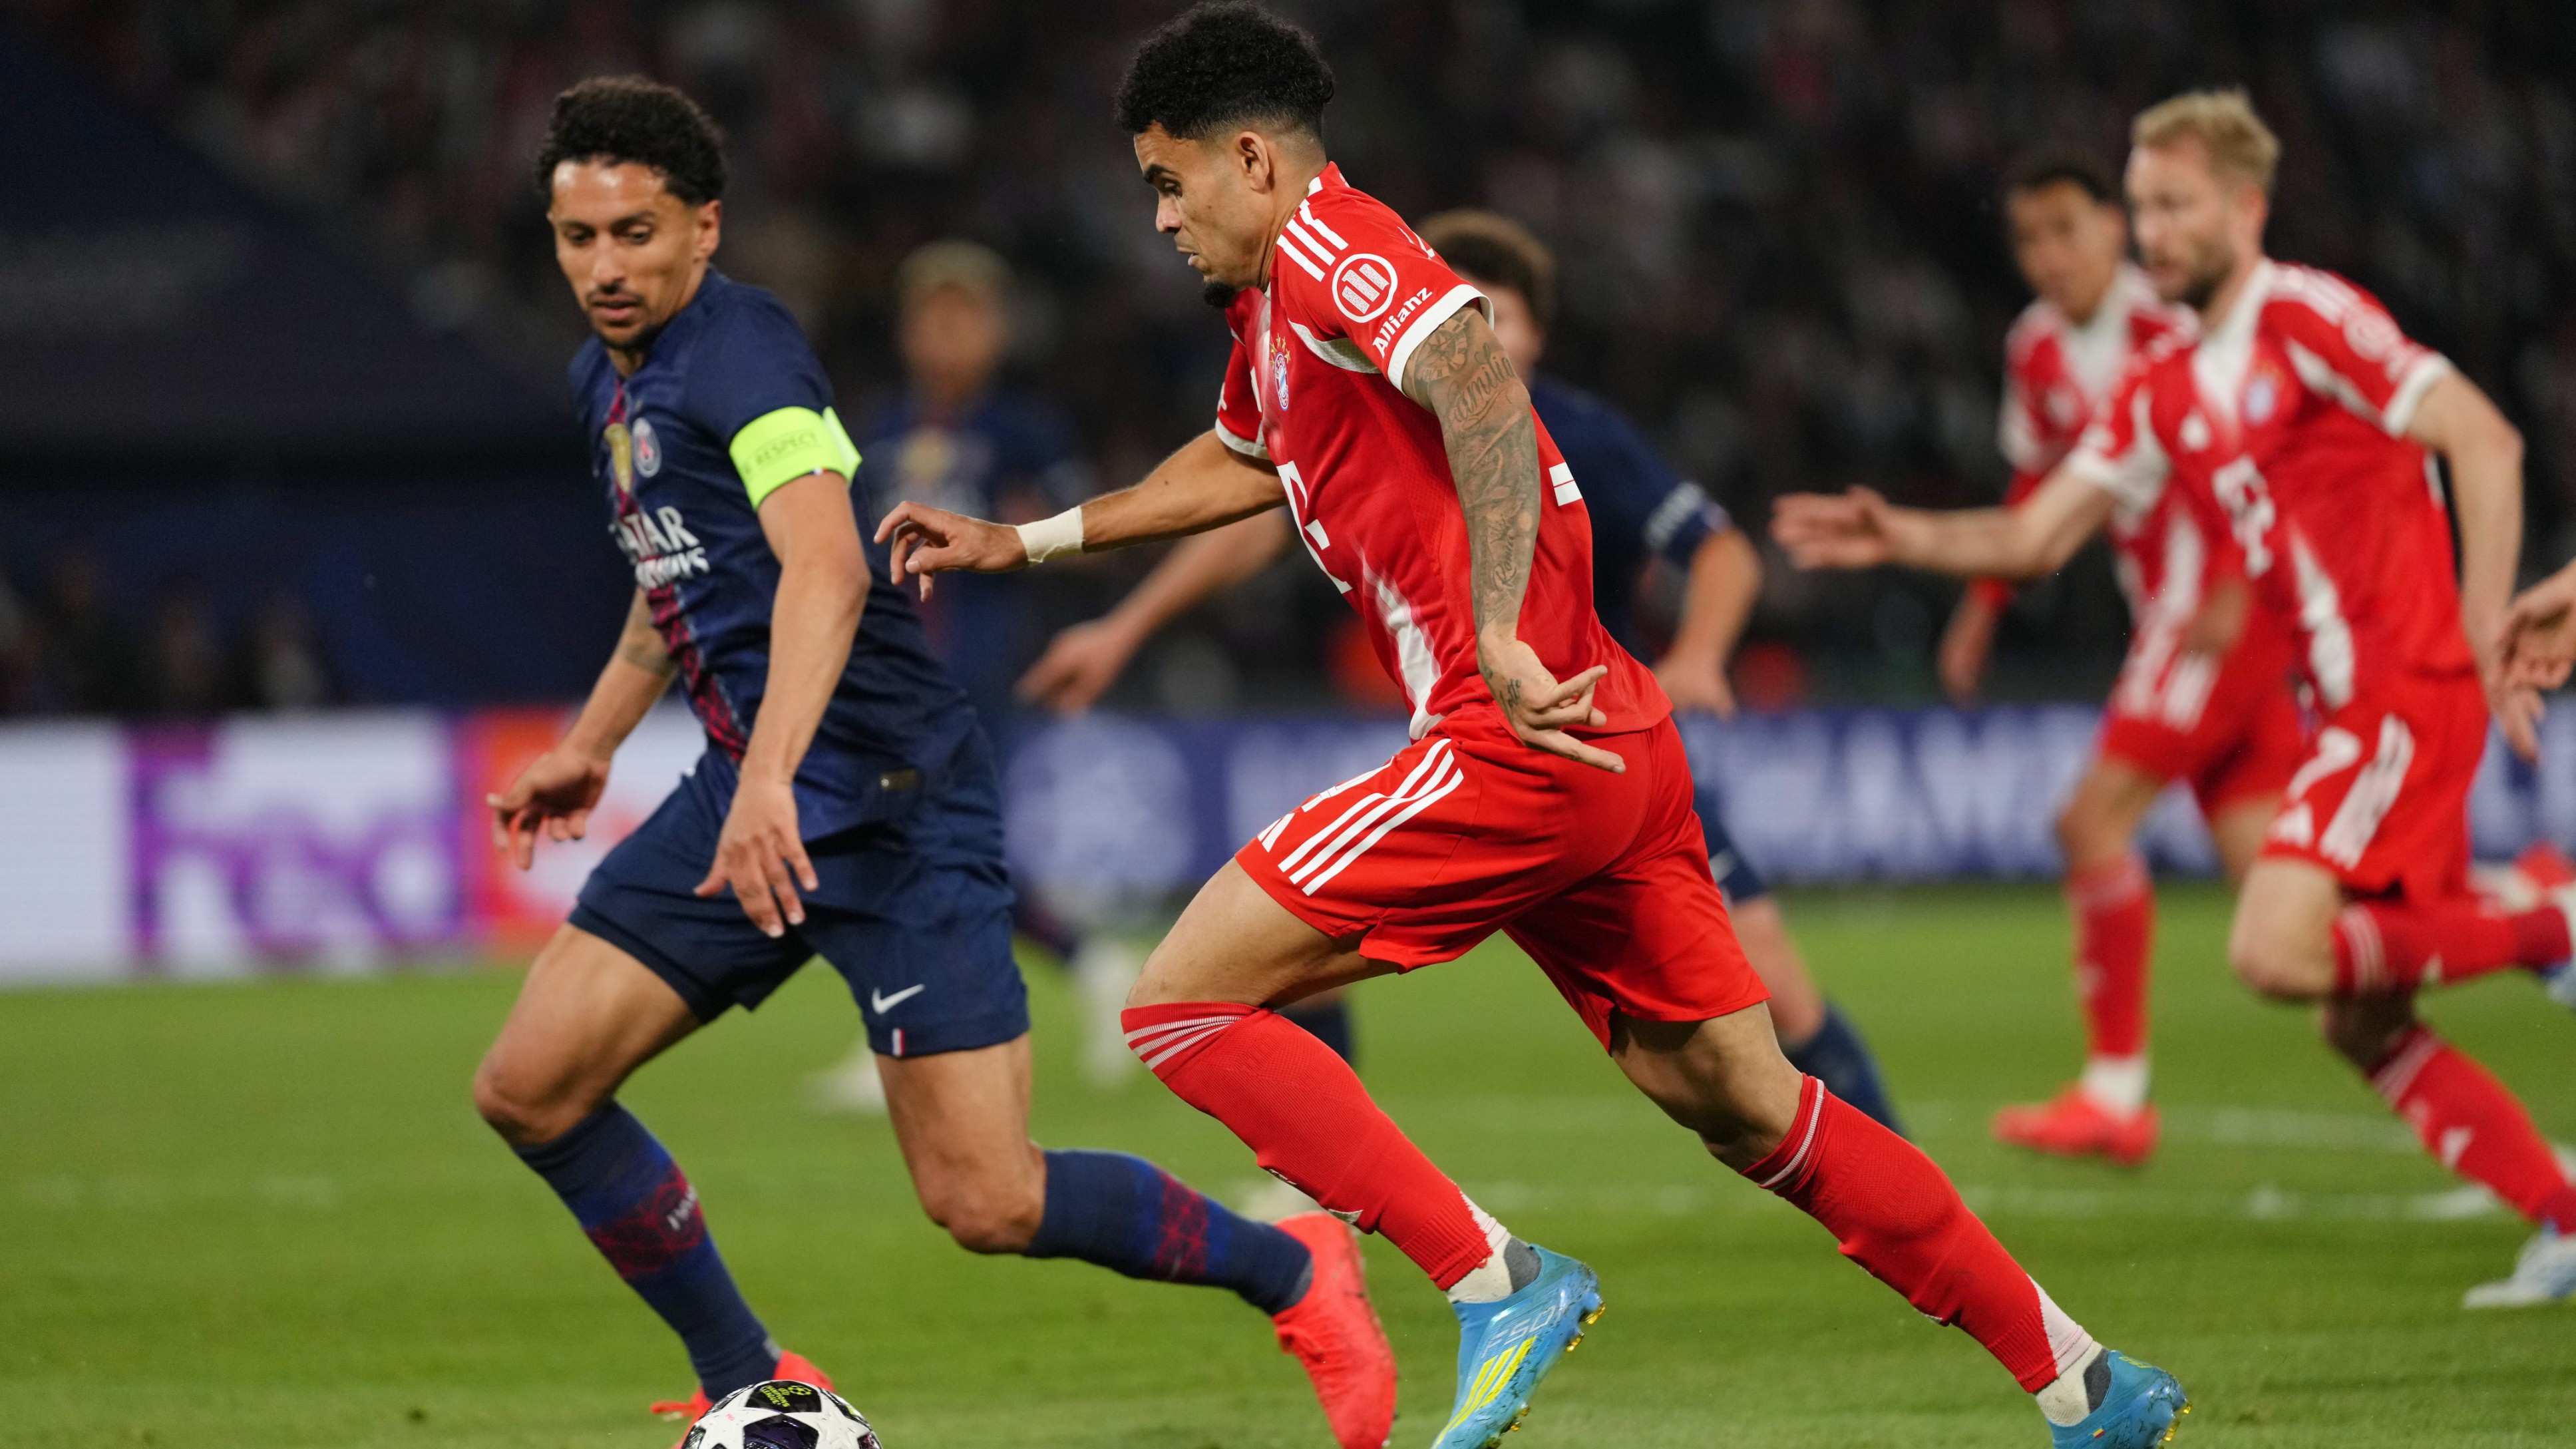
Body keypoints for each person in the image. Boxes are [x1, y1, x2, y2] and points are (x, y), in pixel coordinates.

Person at [878, 9, 2188, 1446]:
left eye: (1168, 181)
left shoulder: (1333, 242)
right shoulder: (1268, 313)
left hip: (1510, 734)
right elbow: (1239, 459)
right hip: (1609, 737)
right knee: (1749, 1102)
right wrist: (1028, 540)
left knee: (1178, 1003)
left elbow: (1481, 386)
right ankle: (2084, 1379)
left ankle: (1493, 1277)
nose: (1160, 218)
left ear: (1249, 160)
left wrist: (1499, 625)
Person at [470, 77, 1395, 1449]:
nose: (605, 266)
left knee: (987, 1199)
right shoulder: (600, 383)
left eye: (636, 233)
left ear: (705, 229)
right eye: (578, 237)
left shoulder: (744, 356)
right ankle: (746, 1376)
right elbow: (674, 587)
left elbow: (827, 569)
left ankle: (1294, 1269)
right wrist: (591, 748)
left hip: (890, 801)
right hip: (756, 788)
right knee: (531, 1086)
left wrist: (770, 777)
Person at [1777, 89, 2576, 1308]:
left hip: (2401, 687)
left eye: (2176, 205)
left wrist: (2479, 628)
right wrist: (1904, 536)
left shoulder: (2306, 317)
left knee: (2274, 947)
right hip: (2340, 705)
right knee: (2360, 1021)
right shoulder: (2163, 387)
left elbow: (2485, 439)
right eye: (2145, 205)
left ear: (2247, 207)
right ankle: (2565, 1212)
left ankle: (2550, 923)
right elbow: (2036, 534)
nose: (2154, 230)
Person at [1015, 208, 1906, 1134]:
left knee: (1769, 1015)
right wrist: (1124, 626)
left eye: (1499, 315)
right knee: (1284, 953)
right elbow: (1258, 514)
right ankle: (1323, 1195)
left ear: (1537, 335)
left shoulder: (1581, 431)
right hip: (1479, 745)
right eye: (1460, 302)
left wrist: (1699, 655)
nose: (1471, 327)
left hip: (1602, 743)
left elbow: (1720, 550)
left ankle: (1899, 1171)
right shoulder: (1381, 409)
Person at [1938, 145, 2304, 1165]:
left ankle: (2114, 1091)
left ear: (2114, 227)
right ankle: (2530, 913)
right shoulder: (2036, 348)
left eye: (2067, 229)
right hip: (2174, 613)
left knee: (2089, 820)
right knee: (2286, 902)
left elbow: (2257, 452)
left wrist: (2234, 579)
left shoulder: (2171, 323)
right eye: (2029, 238)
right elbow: (2037, 489)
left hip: (2213, 609)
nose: (2049, 255)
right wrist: (1982, 607)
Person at [805, 240, 1143, 1110]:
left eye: (964, 316)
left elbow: (1097, 539)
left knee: (922, 834)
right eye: (932, 316)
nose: (946, 333)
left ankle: (918, 1031)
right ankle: (1083, 969)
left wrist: (1028, 533)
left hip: (976, 666)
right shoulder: (876, 429)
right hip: (887, 667)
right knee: (925, 839)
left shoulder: (1024, 431)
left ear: (997, 330)